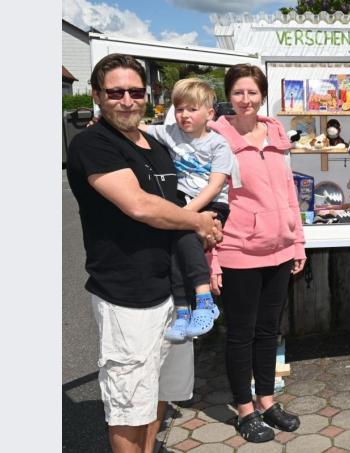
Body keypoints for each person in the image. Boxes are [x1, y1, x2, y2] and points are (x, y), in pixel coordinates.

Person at [66, 53, 222, 453]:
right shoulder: (92, 144)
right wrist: (197, 222)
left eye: (135, 92)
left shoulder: (155, 144)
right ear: (97, 95)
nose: (127, 100)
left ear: (147, 95)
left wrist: (208, 220)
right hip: (127, 297)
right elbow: (140, 206)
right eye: (115, 92)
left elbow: (179, 200)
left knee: (159, 394)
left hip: (173, 291)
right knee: (129, 406)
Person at [207, 64, 307, 443]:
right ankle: (244, 409)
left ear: (262, 95)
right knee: (241, 334)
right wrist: (212, 259)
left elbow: (289, 192)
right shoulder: (216, 138)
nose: (245, 99)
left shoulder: (276, 134)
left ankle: (267, 401)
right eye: (238, 92)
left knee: (269, 331)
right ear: (228, 96)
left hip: (279, 249)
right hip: (238, 250)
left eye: (252, 92)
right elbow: (211, 202)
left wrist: (297, 241)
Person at [143, 78, 240, 342]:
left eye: (192, 109)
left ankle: (204, 299)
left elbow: (215, 186)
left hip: (212, 203)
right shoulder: (169, 132)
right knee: (176, 248)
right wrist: (101, 123)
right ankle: (183, 311)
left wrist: (186, 215)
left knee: (184, 234)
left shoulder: (218, 145)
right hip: (184, 202)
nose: (184, 115)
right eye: (179, 109)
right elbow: (136, 128)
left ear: (209, 113)